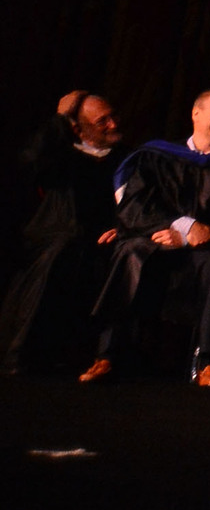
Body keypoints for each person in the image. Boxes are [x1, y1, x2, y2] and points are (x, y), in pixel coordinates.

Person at [81, 87, 210, 386]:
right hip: (153, 238)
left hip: (205, 248)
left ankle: (208, 362)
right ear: (195, 113)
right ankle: (107, 355)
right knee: (131, 251)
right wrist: (183, 225)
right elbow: (133, 207)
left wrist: (187, 239)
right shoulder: (154, 155)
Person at [0, 92, 124, 374]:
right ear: (79, 129)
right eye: (102, 121)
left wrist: (124, 227)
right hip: (54, 236)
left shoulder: (127, 158)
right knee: (60, 254)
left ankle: (102, 357)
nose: (113, 124)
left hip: (107, 239)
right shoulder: (60, 158)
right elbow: (30, 160)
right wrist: (59, 118)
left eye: (113, 115)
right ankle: (20, 354)